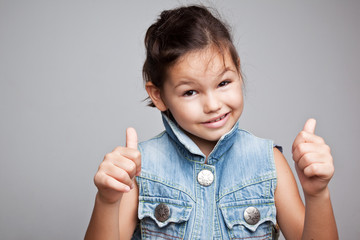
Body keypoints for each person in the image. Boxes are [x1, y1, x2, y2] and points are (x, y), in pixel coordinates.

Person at [85, 5, 338, 240]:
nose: (213, 105)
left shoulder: (268, 163)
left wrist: (317, 194)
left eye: (223, 83)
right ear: (159, 96)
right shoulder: (140, 168)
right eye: (190, 92)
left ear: (238, 71)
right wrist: (107, 200)